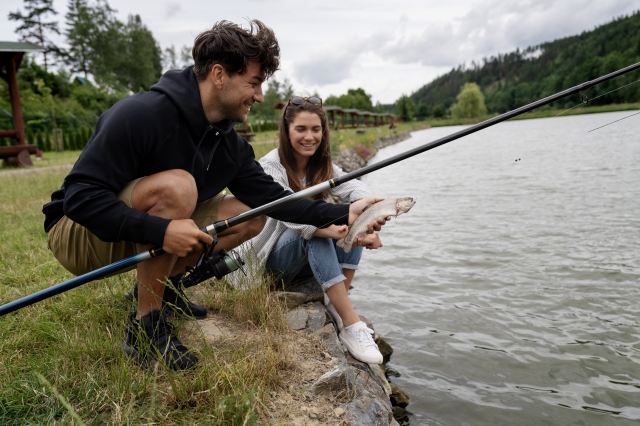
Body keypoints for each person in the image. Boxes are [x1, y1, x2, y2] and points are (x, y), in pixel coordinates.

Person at [42, 20, 384, 371]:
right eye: (253, 83)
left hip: (134, 229)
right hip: (76, 235)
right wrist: (160, 231)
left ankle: (166, 288)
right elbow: (80, 199)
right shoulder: (141, 115)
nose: (260, 96)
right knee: (179, 188)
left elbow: (275, 200)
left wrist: (346, 213)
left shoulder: (229, 145)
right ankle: (146, 325)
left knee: (255, 213)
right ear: (219, 75)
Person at [245, 96, 386, 364]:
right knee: (317, 232)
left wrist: (368, 217)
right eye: (301, 129)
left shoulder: (323, 165)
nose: (309, 137)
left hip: (304, 256)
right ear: (287, 131)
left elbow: (355, 187)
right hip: (273, 261)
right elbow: (291, 218)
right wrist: (343, 232)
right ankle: (350, 325)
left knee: (351, 218)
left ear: (324, 131)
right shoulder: (270, 166)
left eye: (316, 129)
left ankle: (336, 301)